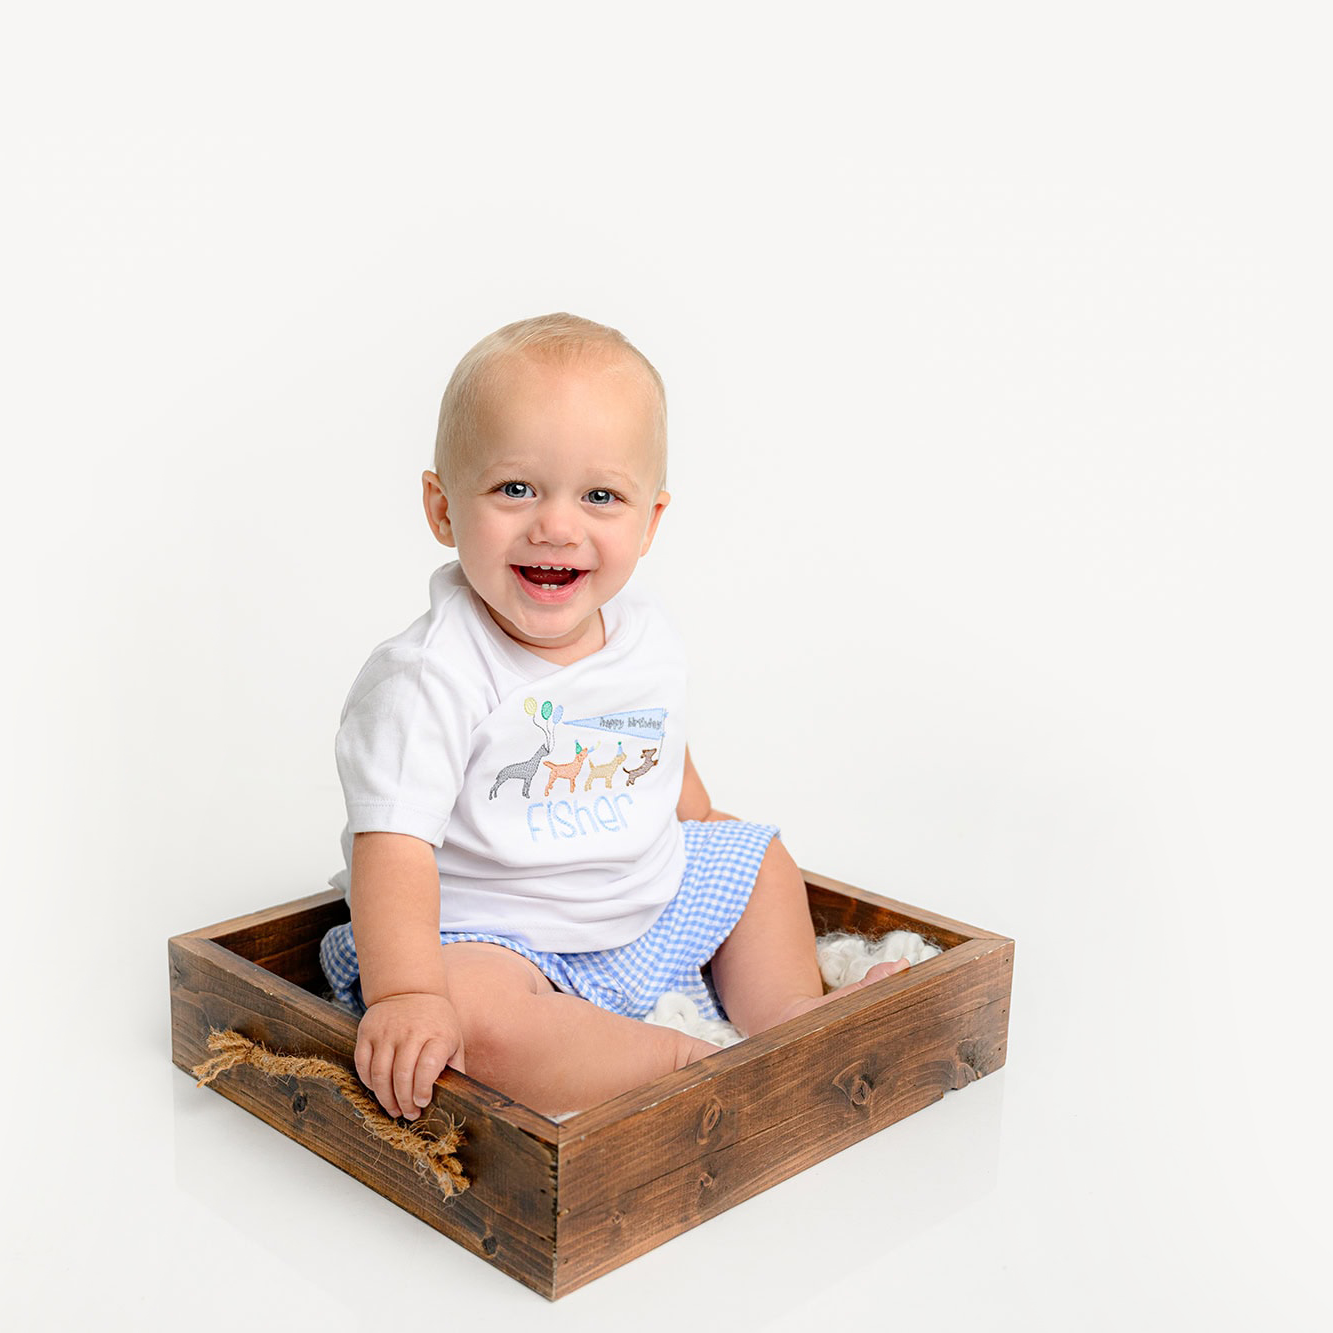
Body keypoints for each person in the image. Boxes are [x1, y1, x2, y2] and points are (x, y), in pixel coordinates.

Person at [318, 312, 907, 1121]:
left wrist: (701, 822)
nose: (557, 525)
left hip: (642, 899)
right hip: (497, 938)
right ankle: (689, 1062)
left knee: (762, 863)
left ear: (650, 520)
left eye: (600, 495)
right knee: (471, 1017)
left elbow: (657, 742)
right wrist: (409, 990)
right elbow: (394, 847)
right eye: (515, 487)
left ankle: (788, 1019)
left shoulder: (646, 634)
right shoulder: (432, 676)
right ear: (443, 507)